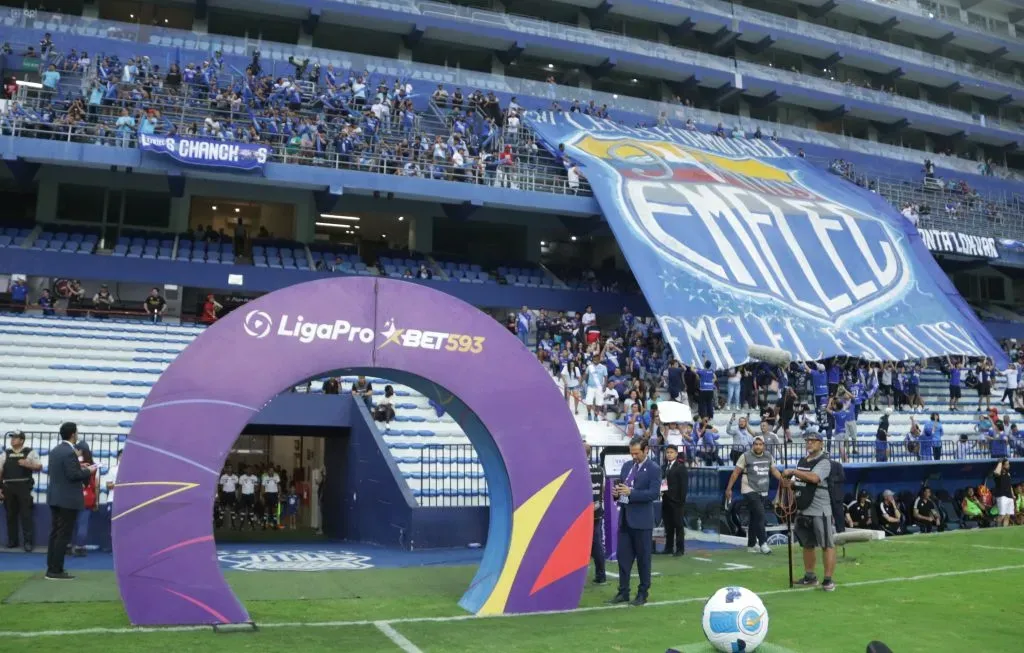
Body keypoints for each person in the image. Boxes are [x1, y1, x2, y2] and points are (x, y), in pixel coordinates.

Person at [608, 437, 660, 606]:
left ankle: (642, 593)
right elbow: (623, 489)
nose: (634, 456)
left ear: (646, 450)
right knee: (623, 558)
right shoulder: (627, 466)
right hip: (625, 519)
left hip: (642, 521)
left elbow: (653, 493)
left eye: (636, 453)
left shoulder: (653, 469)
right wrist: (618, 493)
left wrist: (631, 492)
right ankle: (623, 592)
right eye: (631, 453)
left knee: (643, 560)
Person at [783, 430, 837, 591]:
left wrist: (793, 472)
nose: (809, 443)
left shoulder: (824, 461)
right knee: (807, 544)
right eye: (807, 440)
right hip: (803, 508)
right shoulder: (802, 461)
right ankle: (810, 576)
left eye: (813, 440)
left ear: (821, 443)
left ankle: (828, 579)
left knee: (827, 544)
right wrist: (789, 484)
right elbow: (799, 482)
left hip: (820, 509)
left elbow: (814, 478)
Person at [46, 422, 97, 580]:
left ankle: (52, 568)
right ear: (73, 434)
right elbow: (73, 475)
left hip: (55, 497)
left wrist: (81, 469)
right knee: (63, 535)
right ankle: (56, 570)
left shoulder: (55, 450)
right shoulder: (69, 452)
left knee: (55, 533)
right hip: (67, 500)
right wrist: (89, 470)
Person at [726, 435, 783, 555]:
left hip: (762, 489)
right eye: (756, 444)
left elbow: (774, 471)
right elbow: (736, 473)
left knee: (754, 517)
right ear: (753, 445)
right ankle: (763, 543)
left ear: (764, 445)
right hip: (748, 488)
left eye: (760, 444)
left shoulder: (768, 456)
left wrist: (783, 481)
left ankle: (751, 545)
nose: (758, 446)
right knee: (761, 514)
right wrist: (729, 488)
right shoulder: (745, 456)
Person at [0, 431, 42, 551]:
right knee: (10, 515)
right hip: (8, 487)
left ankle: (28, 542)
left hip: (24, 486)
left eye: (15, 438)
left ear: (22, 440)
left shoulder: (30, 452)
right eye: (11, 438)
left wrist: (28, 464)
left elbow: (39, 467)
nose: (12, 440)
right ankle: (12, 541)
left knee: (26, 515)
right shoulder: (5, 453)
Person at [584, 443, 606, 584]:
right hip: (596, 511)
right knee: (596, 543)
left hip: (581, 513)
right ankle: (601, 574)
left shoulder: (579, 469)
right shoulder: (599, 469)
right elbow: (602, 489)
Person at [660, 444, 687, 556]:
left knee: (678, 525)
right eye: (667, 452)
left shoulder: (680, 467)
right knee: (668, 525)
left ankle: (680, 549)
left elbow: (684, 486)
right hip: (666, 500)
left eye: (671, 452)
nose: (669, 454)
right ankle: (668, 547)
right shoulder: (664, 467)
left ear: (676, 453)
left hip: (677, 501)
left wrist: (681, 501)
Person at [72, 448, 100, 556]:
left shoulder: (73, 464)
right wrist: (96, 501)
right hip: (88, 498)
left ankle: (68, 546)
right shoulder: (93, 466)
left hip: (73, 497)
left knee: (69, 524)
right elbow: (96, 485)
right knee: (83, 524)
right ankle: (80, 547)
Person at [993, 459, 1014, 527]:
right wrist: (1000, 462)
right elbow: (996, 472)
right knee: (1002, 515)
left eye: (1008, 464)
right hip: (1002, 496)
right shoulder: (998, 473)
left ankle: (1004, 531)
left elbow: (1010, 486)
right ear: (1003, 466)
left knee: (1007, 515)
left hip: (1009, 497)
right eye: (1007, 464)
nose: (1009, 466)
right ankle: (997, 529)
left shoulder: (1008, 474)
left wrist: (1013, 495)